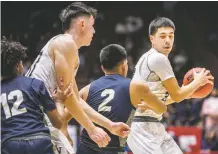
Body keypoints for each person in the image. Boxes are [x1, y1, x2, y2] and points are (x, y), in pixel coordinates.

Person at [26, 2, 130, 154]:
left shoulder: (67, 48)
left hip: (35, 115)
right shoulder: (66, 43)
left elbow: (76, 99)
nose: (94, 31)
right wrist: (92, 129)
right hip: (32, 114)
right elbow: (67, 98)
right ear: (82, 23)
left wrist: (109, 125)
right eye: (92, 25)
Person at [127, 17, 214, 154]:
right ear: (152, 39)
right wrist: (198, 81)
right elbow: (177, 95)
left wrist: (188, 93)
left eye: (171, 36)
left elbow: (164, 100)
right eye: (162, 36)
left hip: (152, 124)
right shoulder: (158, 59)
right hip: (142, 126)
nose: (167, 40)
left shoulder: (149, 57)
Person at [77, 44, 167, 154]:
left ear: (102, 68)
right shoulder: (137, 87)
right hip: (113, 150)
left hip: (85, 149)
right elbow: (161, 108)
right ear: (124, 65)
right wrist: (148, 105)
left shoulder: (85, 90)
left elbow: (67, 113)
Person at [1, 39, 64, 154]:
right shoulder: (34, 83)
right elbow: (58, 123)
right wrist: (59, 101)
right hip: (39, 141)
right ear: (17, 66)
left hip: (10, 144)